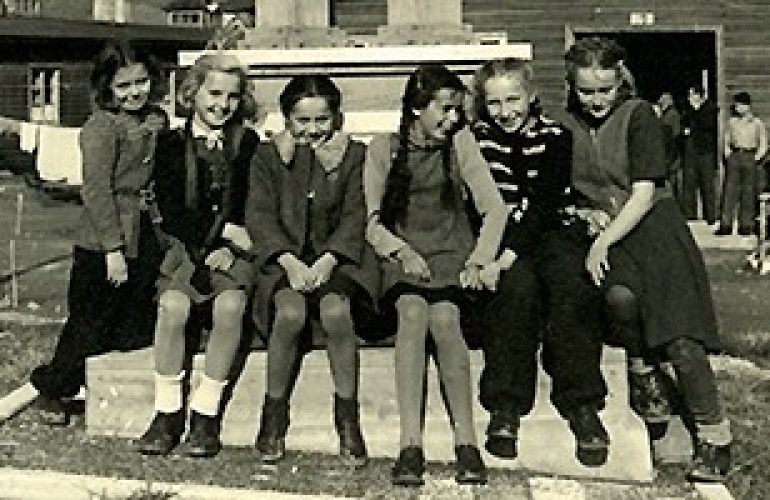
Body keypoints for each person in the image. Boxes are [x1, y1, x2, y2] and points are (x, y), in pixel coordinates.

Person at [560, 37, 732, 482]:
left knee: (680, 335)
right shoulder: (566, 124)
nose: (596, 101)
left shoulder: (639, 117)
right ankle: (643, 371)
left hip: (653, 229)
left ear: (621, 81)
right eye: (586, 91)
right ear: (571, 86)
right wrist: (581, 211)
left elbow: (641, 194)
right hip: (611, 234)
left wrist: (601, 243)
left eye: (604, 90)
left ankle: (715, 435)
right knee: (618, 298)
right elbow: (564, 188)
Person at [0, 40, 168, 425]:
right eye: (123, 86)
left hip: (144, 231)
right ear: (106, 87)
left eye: (141, 82)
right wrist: (112, 249)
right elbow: (95, 190)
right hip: (103, 239)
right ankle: (52, 390)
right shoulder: (100, 127)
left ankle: (108, 389)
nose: (134, 93)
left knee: (132, 319)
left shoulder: (155, 119)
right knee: (89, 321)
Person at [364, 64, 507, 486]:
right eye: (444, 110)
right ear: (416, 108)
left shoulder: (461, 144)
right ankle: (411, 444)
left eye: (457, 110)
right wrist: (401, 252)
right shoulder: (384, 148)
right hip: (403, 253)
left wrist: (479, 259)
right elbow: (372, 221)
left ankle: (467, 443)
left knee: (445, 319)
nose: (453, 119)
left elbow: (494, 209)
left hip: (450, 252)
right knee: (411, 314)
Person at [470, 58, 609, 467]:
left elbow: (545, 203)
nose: (505, 111)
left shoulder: (554, 136)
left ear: (531, 97)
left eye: (513, 99)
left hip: (549, 229)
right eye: (494, 103)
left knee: (571, 282)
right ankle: (506, 404)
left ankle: (581, 403)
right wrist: (496, 256)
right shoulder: (476, 140)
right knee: (515, 289)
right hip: (498, 233)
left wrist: (508, 254)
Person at [245, 74, 380, 466]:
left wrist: (329, 259)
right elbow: (260, 215)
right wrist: (287, 260)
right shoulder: (269, 157)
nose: (312, 131)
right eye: (301, 121)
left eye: (321, 120)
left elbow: (356, 213)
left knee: (337, 312)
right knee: (289, 313)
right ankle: (273, 413)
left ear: (337, 118)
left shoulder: (353, 155)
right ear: (286, 119)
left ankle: (347, 415)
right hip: (284, 261)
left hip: (335, 261)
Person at [135, 52, 259, 458]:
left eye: (232, 97)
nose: (221, 105)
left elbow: (250, 204)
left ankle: (206, 412)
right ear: (192, 93)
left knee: (230, 306)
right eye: (214, 93)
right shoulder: (171, 143)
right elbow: (172, 210)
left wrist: (230, 246)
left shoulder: (247, 144)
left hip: (234, 254)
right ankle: (167, 411)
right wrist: (215, 238)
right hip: (188, 248)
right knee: (172, 306)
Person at [717, 91, 767, 236]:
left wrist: (757, 157)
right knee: (730, 191)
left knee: (748, 192)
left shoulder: (757, 124)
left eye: (740, 105)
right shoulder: (732, 122)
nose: (737, 108)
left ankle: (746, 225)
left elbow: (763, 142)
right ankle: (726, 224)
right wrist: (727, 153)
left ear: (747, 106)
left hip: (750, 156)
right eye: (736, 105)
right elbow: (726, 139)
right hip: (735, 155)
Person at [681, 84, 719, 224]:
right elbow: (684, 123)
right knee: (689, 183)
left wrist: (696, 111)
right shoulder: (688, 110)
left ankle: (710, 216)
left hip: (705, 151)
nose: (689, 98)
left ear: (699, 96)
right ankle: (689, 214)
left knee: (707, 184)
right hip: (691, 151)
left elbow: (707, 125)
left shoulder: (710, 108)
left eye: (692, 95)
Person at [657, 92, 683, 203]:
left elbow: (675, 138)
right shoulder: (666, 116)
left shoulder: (671, 116)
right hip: (669, 156)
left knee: (672, 183)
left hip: (671, 156)